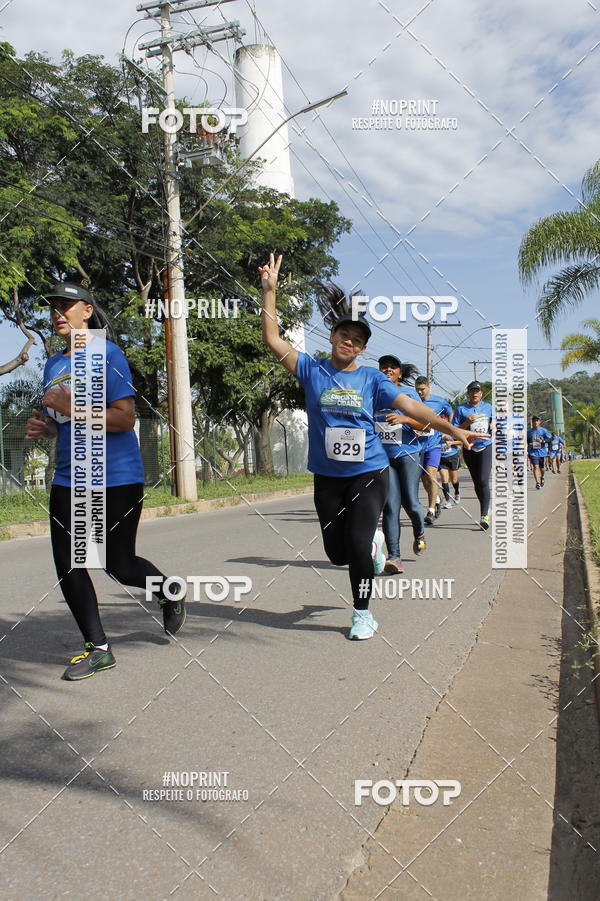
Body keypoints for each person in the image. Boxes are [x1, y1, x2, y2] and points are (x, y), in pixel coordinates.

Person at [260, 253, 483, 639]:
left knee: (358, 546)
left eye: (358, 340)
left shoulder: (372, 380)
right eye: (345, 336)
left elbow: (411, 405)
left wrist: (453, 429)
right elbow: (271, 338)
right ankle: (374, 550)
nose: (350, 342)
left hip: (369, 471)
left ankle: (362, 613)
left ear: (363, 349)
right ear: (332, 336)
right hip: (327, 476)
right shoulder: (311, 369)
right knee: (337, 553)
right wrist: (269, 292)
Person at [25, 281, 185, 681]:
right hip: (70, 478)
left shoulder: (106, 354)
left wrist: (71, 407)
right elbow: (66, 423)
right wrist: (46, 427)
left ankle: (168, 591)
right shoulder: (53, 363)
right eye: (53, 307)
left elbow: (124, 419)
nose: (58, 313)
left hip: (116, 478)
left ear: (87, 310)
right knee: (69, 564)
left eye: (66, 305)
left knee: (117, 563)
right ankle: (98, 648)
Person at [375, 356, 424, 575]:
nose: (388, 369)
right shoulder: (373, 393)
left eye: (392, 367)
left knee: (411, 503)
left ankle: (420, 532)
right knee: (390, 506)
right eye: (384, 366)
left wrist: (405, 420)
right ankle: (395, 557)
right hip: (383, 457)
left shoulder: (409, 395)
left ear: (400, 373)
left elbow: (426, 423)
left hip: (409, 454)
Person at [452, 381, 495, 530]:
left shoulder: (488, 407)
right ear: (468, 393)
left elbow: (495, 422)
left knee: (483, 480)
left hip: (486, 446)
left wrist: (494, 425)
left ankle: (484, 515)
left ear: (481, 393)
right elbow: (455, 430)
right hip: (469, 448)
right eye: (472, 391)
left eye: (477, 390)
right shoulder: (461, 409)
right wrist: (466, 422)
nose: (475, 393)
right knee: (477, 482)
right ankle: (485, 506)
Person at [414, 376, 452, 524]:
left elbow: (450, 412)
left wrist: (448, 430)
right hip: (417, 445)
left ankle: (430, 511)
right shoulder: (412, 400)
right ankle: (436, 498)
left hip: (434, 445)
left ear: (428, 387)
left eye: (422, 389)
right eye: (417, 388)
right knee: (425, 480)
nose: (419, 391)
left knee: (431, 475)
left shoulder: (439, 401)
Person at [438, 420, 462, 507]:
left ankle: (457, 492)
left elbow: (462, 441)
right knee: (444, 479)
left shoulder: (452, 430)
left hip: (452, 457)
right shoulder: (435, 430)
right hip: (441, 458)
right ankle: (447, 501)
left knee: (454, 480)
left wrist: (451, 442)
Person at [527, 415, 552, 489]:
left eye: (537, 420)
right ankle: (537, 483)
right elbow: (527, 440)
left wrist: (542, 441)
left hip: (542, 452)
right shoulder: (529, 432)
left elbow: (550, 439)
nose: (535, 422)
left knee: (542, 469)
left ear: (539, 422)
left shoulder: (543, 430)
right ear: (532, 422)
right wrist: (529, 444)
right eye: (534, 420)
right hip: (533, 452)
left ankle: (542, 477)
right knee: (535, 467)